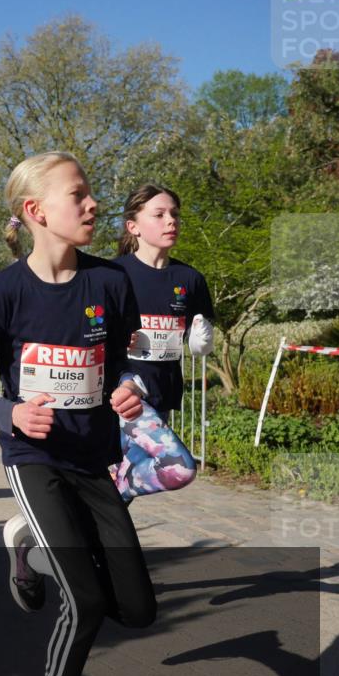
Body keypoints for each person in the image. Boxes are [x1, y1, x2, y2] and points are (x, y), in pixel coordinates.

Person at [0, 152, 155, 676]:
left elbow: (126, 361)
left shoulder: (110, 281)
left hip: (94, 459)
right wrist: (11, 414)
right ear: (36, 210)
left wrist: (131, 386)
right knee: (84, 601)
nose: (93, 203)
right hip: (33, 457)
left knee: (137, 610)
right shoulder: (0, 292)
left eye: (90, 192)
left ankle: (29, 547)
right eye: (78, 194)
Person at [110, 183, 215, 502]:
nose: (171, 221)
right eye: (159, 214)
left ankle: (60, 527)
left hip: (163, 391)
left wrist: (200, 343)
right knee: (175, 466)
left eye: (175, 214)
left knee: (126, 480)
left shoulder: (190, 279)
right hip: (123, 393)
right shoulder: (113, 274)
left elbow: (197, 339)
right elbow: (85, 330)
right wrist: (113, 336)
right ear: (133, 226)